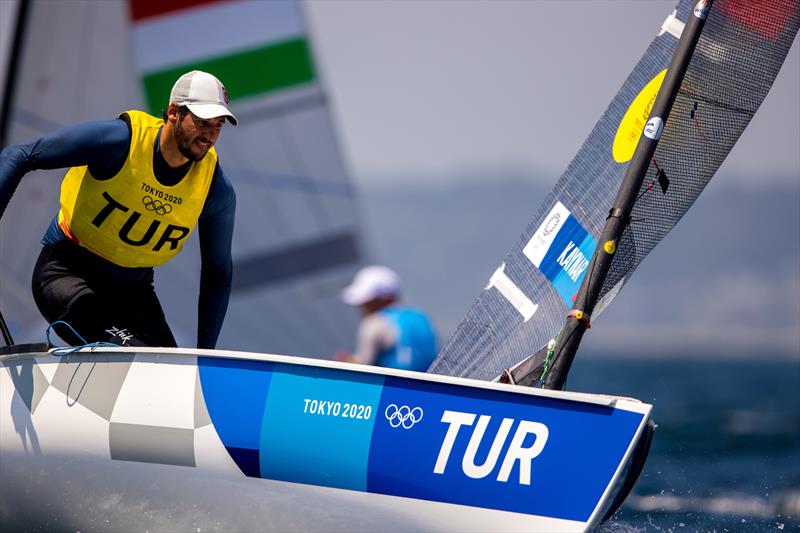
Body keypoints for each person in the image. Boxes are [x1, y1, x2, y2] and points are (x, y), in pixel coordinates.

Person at [0, 70, 237, 349]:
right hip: (67, 273)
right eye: (201, 121)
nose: (209, 134)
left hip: (134, 293)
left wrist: (204, 357)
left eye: (218, 125)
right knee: (139, 357)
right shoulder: (120, 142)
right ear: (174, 112)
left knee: (174, 369)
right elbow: (18, 155)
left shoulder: (215, 188)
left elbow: (217, 272)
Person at [336, 265, 437, 372]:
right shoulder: (420, 317)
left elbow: (362, 366)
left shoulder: (373, 323)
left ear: (376, 300)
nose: (361, 306)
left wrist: (347, 362)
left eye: (364, 301)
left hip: (395, 387)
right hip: (432, 386)